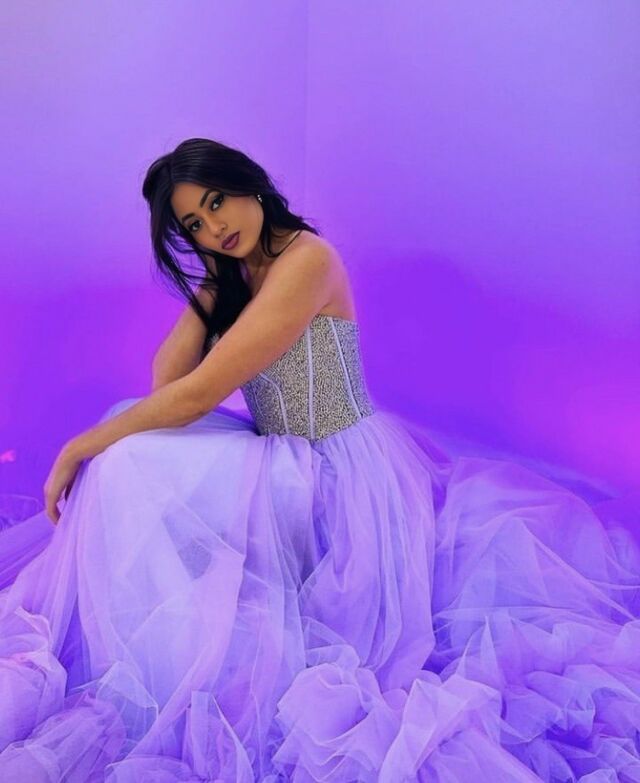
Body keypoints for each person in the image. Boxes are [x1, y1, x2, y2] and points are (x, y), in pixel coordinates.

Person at [0, 137, 639, 783]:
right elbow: (166, 381)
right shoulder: (237, 269)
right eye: (194, 224)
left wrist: (76, 446)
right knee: (131, 440)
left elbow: (193, 396)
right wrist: (213, 284)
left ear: (248, 183)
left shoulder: (307, 260)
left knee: (122, 452)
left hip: (334, 465)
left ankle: (183, 643)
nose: (215, 227)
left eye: (217, 202)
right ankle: (163, 639)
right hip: (277, 452)